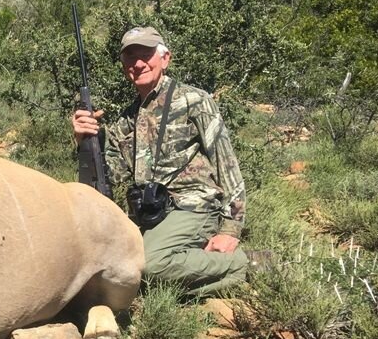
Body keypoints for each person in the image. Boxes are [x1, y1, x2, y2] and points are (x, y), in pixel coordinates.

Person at [72, 25, 252, 296]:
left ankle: (243, 264)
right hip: (151, 212)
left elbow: (226, 163)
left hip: (193, 205)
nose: (138, 63)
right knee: (112, 270)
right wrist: (85, 141)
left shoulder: (195, 100)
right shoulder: (125, 120)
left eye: (145, 55)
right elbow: (110, 178)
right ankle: (189, 265)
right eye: (130, 58)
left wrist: (231, 229)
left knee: (150, 266)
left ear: (165, 59)